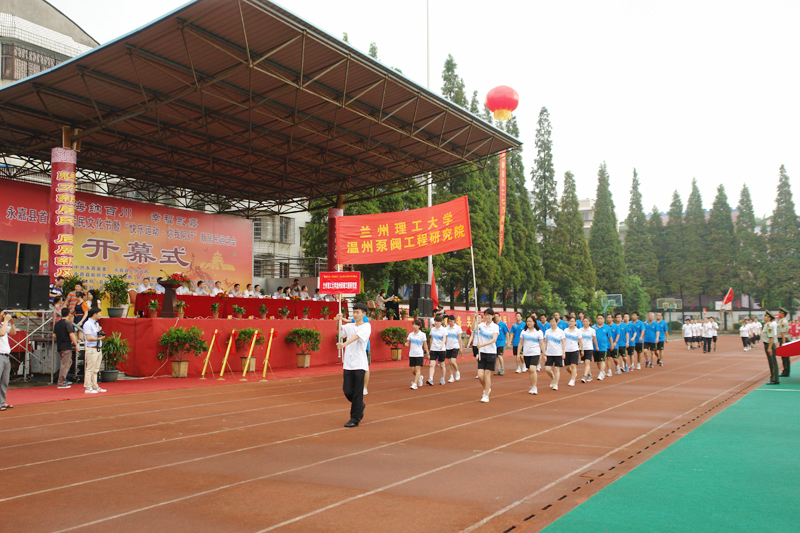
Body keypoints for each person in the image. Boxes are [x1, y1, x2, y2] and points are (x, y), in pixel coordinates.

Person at [336, 303, 371, 427]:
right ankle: (360, 405)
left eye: (358, 312)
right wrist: (338, 320)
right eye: (354, 312)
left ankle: (355, 418)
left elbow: (356, 336)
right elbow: (339, 329)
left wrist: (344, 344)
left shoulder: (366, 326)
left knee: (357, 392)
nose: (355, 314)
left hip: (359, 364)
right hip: (348, 364)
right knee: (347, 390)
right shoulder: (349, 326)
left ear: (364, 314)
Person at [475, 309, 499, 402]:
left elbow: (494, 339)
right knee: (480, 376)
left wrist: (483, 345)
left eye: (489, 315)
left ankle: (486, 395)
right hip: (482, 353)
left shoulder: (495, 327)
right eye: (486, 315)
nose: (487, 317)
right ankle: (487, 388)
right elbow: (473, 328)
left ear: (493, 316)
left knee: (487, 374)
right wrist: (474, 318)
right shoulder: (481, 325)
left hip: (491, 352)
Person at [82, 307, 106, 394]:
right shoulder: (88, 324)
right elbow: (88, 337)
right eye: (99, 313)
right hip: (91, 348)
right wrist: (98, 338)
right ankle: (88, 387)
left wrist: (99, 337)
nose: (100, 315)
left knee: (96, 369)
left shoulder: (96, 324)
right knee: (90, 369)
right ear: (94, 314)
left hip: (97, 348)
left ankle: (95, 385)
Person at [53, 308, 78, 389]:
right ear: (68, 314)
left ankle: (62, 380)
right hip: (66, 346)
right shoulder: (68, 323)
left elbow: (54, 335)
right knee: (65, 364)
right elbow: (71, 334)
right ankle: (61, 382)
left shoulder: (57, 324)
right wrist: (76, 344)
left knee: (68, 362)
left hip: (60, 345)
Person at [520, 315, 544, 394]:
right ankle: (532, 385)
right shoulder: (524, 331)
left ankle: (534, 387)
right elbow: (520, 343)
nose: (528, 323)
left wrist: (544, 353)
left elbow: (541, 343)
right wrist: (518, 354)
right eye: (527, 321)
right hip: (526, 353)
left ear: (534, 322)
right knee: (530, 371)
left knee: (533, 369)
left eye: (530, 321)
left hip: (535, 353)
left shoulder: (538, 332)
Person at [0, 309, 17, 411]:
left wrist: (11, 323)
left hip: (6, 356)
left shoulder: (3, 324)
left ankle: (2, 402)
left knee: (4, 381)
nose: (4, 316)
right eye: (2, 315)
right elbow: (1, 333)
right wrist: (6, 321)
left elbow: (13, 332)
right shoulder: (3, 325)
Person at [405, 318, 429, 389]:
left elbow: (425, 344)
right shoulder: (410, 334)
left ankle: (415, 384)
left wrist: (427, 353)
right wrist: (405, 343)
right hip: (412, 354)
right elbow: (407, 343)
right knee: (413, 370)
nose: (414, 326)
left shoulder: (422, 335)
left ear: (419, 326)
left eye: (415, 325)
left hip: (419, 354)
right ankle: (420, 377)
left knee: (417, 369)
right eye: (413, 325)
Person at [544, 316, 566, 390]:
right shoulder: (547, 331)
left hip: (558, 353)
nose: (552, 323)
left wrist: (563, 352)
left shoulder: (561, 332)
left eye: (553, 321)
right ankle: (553, 378)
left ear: (557, 322)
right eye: (551, 321)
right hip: (549, 353)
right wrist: (544, 353)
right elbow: (545, 343)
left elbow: (563, 343)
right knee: (547, 369)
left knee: (557, 368)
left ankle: (556, 384)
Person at [426, 314, 448, 386]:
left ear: (441, 322)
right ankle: (430, 379)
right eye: (436, 321)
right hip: (433, 349)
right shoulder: (432, 329)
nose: (437, 323)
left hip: (441, 349)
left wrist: (442, 345)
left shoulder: (444, 329)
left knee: (442, 365)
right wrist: (430, 347)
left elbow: (444, 338)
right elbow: (431, 338)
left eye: (439, 321)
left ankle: (442, 378)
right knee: (432, 364)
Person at [762, 311, 780, 385]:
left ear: (769, 317)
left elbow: (772, 337)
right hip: (767, 344)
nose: (764, 317)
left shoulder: (769, 325)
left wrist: (769, 348)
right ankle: (773, 377)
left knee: (772, 362)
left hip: (769, 345)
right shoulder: (766, 325)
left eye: (765, 316)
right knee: (771, 361)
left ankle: (775, 379)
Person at [564, 317, 583, 387]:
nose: (571, 323)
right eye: (570, 321)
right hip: (566, 350)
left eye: (572, 321)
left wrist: (582, 350)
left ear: (575, 323)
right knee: (567, 367)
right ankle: (574, 374)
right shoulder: (565, 331)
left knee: (573, 365)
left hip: (574, 350)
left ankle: (572, 380)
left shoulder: (578, 331)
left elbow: (580, 341)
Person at [593, 314, 612, 381]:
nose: (599, 320)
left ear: (603, 320)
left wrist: (612, 345)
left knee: (602, 360)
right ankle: (602, 371)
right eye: (598, 318)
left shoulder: (607, 327)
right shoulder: (593, 327)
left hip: (604, 347)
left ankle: (601, 373)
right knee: (598, 362)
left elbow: (610, 337)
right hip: (595, 347)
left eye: (601, 318)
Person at [580, 316, 598, 383]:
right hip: (582, 348)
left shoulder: (592, 330)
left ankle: (584, 376)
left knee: (587, 363)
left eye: (586, 321)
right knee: (585, 363)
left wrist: (596, 346)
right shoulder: (580, 330)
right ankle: (590, 374)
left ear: (589, 322)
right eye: (584, 321)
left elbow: (594, 339)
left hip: (589, 348)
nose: (585, 323)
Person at [445, 314, 462, 382]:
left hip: (455, 346)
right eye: (449, 321)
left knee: (452, 361)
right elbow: (445, 338)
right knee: (449, 362)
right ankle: (451, 376)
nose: (450, 322)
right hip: (448, 346)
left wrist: (460, 348)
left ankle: (457, 371)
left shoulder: (458, 328)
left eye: (451, 321)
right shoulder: (446, 328)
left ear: (454, 321)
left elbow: (459, 338)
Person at [777, 307, 791, 377]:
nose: (778, 313)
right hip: (782, 339)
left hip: (783, 339)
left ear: (783, 313)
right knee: (784, 357)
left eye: (779, 312)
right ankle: (785, 370)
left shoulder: (783, 321)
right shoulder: (781, 320)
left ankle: (786, 371)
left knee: (785, 357)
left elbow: (783, 333)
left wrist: (784, 344)